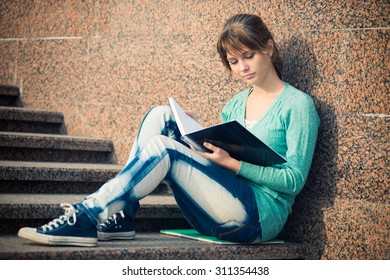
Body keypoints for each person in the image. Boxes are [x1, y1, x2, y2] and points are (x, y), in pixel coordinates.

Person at [18, 14, 320, 246]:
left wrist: (235, 164)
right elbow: (218, 169)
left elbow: (294, 180)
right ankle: (123, 214)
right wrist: (194, 136)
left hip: (255, 218)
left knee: (165, 148)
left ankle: (88, 214)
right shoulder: (234, 104)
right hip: (216, 207)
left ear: (268, 47)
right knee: (163, 116)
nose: (243, 67)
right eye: (234, 61)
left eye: (249, 55)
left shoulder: (298, 105)